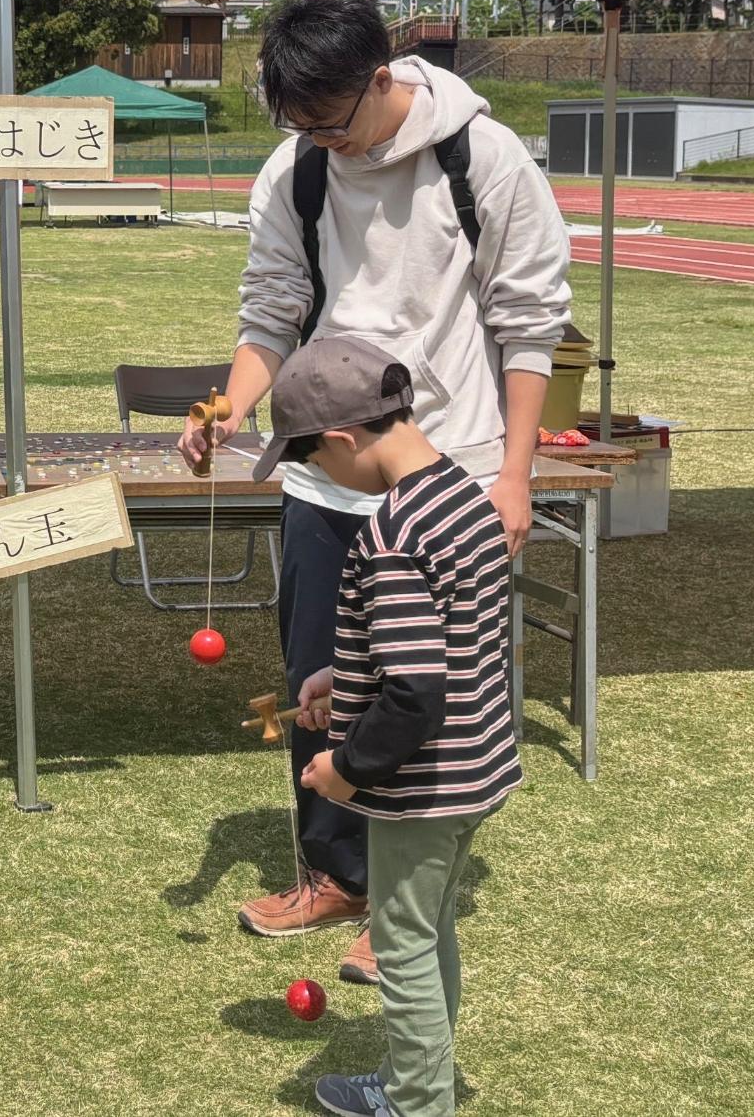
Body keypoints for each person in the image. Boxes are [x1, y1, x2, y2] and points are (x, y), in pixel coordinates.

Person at [179, 0, 566, 986]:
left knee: (424, 692)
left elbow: (528, 323)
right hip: (326, 471)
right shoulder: (296, 168)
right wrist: (228, 404)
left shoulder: (483, 158)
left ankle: (404, 900)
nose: (320, 142)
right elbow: (269, 311)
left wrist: (514, 475)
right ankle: (336, 873)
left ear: (381, 75)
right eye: (297, 124)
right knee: (319, 682)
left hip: (454, 473)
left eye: (330, 121)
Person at [253, 337, 522, 1117]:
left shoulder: (391, 536)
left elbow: (411, 695)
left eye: (311, 462)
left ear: (342, 441)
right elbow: (450, 635)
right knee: (430, 930)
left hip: (423, 787)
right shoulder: (463, 496)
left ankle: (416, 1103)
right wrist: (343, 678)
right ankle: (420, 1083)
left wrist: (347, 769)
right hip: (478, 768)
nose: (320, 479)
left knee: (401, 946)